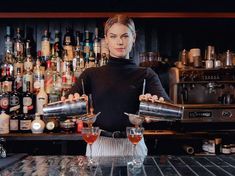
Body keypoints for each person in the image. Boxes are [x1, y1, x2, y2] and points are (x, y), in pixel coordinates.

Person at [63, 14, 170, 157]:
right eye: (113, 36)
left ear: (134, 38)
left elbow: (168, 109)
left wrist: (156, 110)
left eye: (125, 36)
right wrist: (71, 102)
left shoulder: (146, 74)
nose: (120, 42)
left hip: (133, 144)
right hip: (100, 144)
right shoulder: (90, 74)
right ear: (106, 39)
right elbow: (66, 104)